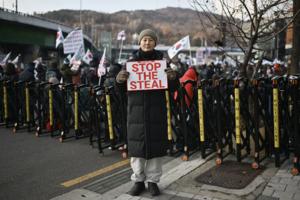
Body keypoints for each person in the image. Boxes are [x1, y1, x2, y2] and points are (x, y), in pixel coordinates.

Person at [116, 29, 178, 196]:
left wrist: (173, 78)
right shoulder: (130, 62)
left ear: (155, 43)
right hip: (135, 113)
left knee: (155, 150)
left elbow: (173, 87)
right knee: (137, 151)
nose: (147, 42)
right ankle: (138, 181)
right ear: (140, 42)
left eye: (150, 40)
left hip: (156, 112)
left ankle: (152, 182)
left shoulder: (162, 62)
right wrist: (119, 79)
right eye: (144, 40)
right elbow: (121, 89)